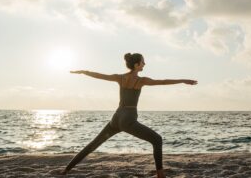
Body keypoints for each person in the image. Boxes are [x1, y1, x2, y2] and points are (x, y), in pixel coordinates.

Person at [60, 53, 197, 178]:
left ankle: (66, 170)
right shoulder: (141, 81)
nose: (144, 64)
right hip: (128, 119)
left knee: (94, 144)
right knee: (157, 140)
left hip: (116, 118)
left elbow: (100, 75)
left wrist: (84, 72)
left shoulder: (120, 78)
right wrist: (183, 80)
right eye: (143, 62)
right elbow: (163, 81)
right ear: (136, 65)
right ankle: (160, 175)